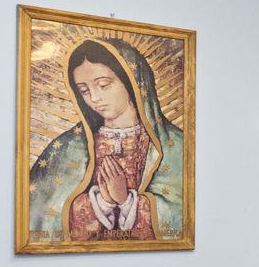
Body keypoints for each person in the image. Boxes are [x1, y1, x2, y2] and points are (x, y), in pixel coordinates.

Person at [27, 37, 187, 244]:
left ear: (132, 82)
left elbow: (181, 216)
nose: (94, 98)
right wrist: (102, 202)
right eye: (84, 90)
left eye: (103, 85)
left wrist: (126, 201)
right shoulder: (67, 148)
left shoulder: (176, 145)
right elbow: (41, 217)